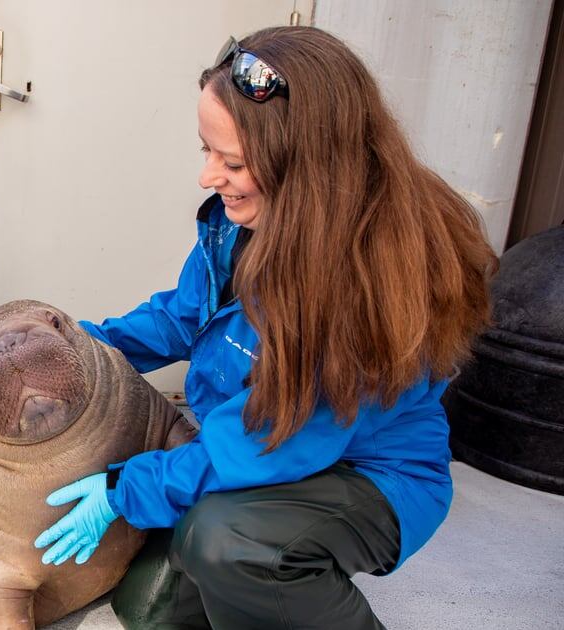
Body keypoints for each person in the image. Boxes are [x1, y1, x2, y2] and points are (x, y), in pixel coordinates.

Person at [33, 27, 496, 629]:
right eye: (205, 151)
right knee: (152, 612)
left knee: (226, 545)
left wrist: (124, 488)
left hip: (367, 473)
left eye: (232, 162)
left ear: (306, 163)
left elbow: (265, 437)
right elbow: (183, 314)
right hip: (270, 442)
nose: (207, 177)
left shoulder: (369, 282)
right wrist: (81, 348)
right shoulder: (246, 223)